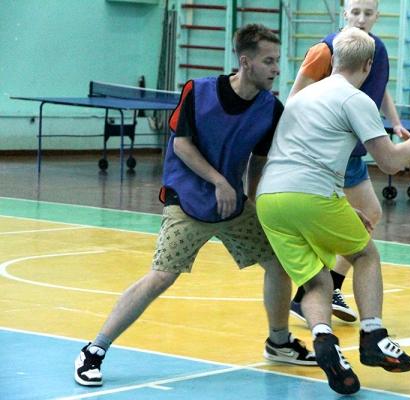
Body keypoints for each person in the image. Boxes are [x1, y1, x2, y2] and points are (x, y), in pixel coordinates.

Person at [73, 23, 317, 387]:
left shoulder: (270, 108)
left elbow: (260, 160)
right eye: (269, 61)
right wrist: (219, 181)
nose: (277, 69)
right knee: (161, 276)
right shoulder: (199, 91)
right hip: (187, 201)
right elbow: (181, 145)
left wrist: (254, 202)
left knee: (279, 264)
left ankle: (279, 342)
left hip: (232, 206)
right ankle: (94, 349)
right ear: (245, 62)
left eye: (277, 60)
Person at [256, 27, 410, 394]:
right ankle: (374, 337)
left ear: (333, 60)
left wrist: (342, 206)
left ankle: (324, 341)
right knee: (365, 255)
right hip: (311, 195)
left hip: (270, 200)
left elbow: (301, 156)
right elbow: (390, 162)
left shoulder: (300, 96)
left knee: (317, 280)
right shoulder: (356, 98)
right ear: (368, 65)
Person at [287, 0, 410, 324]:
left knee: (369, 214)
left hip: (352, 151)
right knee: (334, 224)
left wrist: (395, 123)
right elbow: (294, 99)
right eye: (355, 12)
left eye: (368, 13)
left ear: (377, 16)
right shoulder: (324, 50)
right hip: (324, 152)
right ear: (345, 13)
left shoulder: (376, 50)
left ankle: (324, 289)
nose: (361, 18)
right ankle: (314, 291)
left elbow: (379, 89)